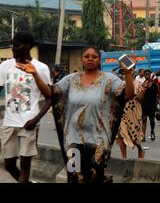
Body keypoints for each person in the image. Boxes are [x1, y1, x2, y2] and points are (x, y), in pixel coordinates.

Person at [51, 46, 135, 183]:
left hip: (99, 141)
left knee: (95, 178)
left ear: (99, 60)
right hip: (73, 140)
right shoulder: (70, 79)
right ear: (82, 60)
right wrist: (35, 75)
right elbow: (52, 93)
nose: (90, 59)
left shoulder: (109, 80)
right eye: (86, 56)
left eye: (94, 57)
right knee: (74, 178)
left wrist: (128, 74)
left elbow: (128, 95)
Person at [0, 31, 52, 184]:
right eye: (12, 45)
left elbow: (50, 98)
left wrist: (36, 119)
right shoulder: (4, 66)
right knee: (9, 164)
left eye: (16, 45)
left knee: (25, 164)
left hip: (29, 123)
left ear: (27, 46)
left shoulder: (40, 68)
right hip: (9, 123)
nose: (12, 48)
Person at [139, 70, 159, 141]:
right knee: (144, 120)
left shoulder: (155, 85)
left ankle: (152, 131)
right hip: (144, 105)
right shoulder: (142, 84)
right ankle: (143, 136)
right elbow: (140, 95)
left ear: (150, 75)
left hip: (152, 105)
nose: (147, 75)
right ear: (144, 75)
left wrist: (157, 106)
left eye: (148, 74)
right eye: (146, 74)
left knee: (152, 120)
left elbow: (157, 96)